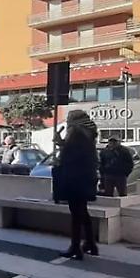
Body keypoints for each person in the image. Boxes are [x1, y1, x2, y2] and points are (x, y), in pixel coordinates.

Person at [54, 111, 99, 260]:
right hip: (86, 177)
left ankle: (75, 247)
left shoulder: (76, 132)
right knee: (82, 211)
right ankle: (90, 243)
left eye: (69, 119)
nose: (67, 122)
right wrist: (62, 143)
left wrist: (60, 143)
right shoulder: (88, 132)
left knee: (76, 213)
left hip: (76, 178)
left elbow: (71, 155)